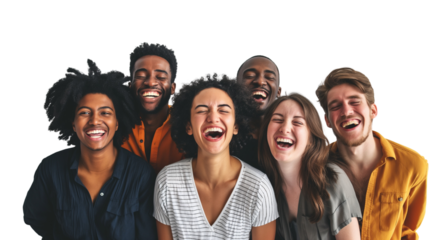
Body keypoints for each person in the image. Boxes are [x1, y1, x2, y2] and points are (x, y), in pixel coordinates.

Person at [22, 58, 157, 239]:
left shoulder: (141, 174)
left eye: (105, 113)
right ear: (73, 123)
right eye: (84, 112)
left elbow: (146, 235)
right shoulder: (50, 169)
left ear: (117, 122)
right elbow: (36, 219)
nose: (94, 121)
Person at [154, 72, 278, 239]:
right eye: (202, 110)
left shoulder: (259, 188)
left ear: (236, 126)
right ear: (188, 126)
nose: (213, 118)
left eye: (223, 110)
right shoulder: (167, 182)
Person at [314, 65, 428, 239]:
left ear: (373, 110)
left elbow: (409, 230)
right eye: (336, 106)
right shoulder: (315, 166)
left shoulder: (414, 165)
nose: (346, 111)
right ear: (327, 121)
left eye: (354, 102)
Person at [258, 90, 361, 240]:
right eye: (278, 119)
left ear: (311, 139)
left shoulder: (333, 180)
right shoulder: (265, 186)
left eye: (297, 122)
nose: (285, 128)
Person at [122, 40, 184, 173]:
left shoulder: (187, 126)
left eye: (160, 77)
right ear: (130, 85)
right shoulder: (115, 125)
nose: (150, 82)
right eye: (141, 76)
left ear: (173, 88)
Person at [235, 53, 283, 169]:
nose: (260, 81)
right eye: (250, 75)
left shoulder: (286, 136)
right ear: (236, 86)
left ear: (279, 91)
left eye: (270, 77)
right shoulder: (223, 135)